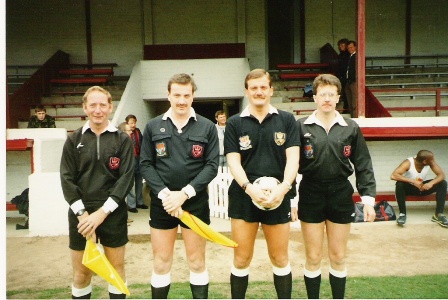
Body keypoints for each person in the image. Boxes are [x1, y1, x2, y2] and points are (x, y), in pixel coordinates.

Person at [296, 74, 376, 299]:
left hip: (340, 192)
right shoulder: (301, 126)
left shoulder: (350, 127)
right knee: (313, 256)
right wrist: (291, 198)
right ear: (315, 97)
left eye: (331, 94)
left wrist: (367, 199)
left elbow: (363, 164)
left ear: (338, 97)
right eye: (322, 94)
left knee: (338, 256)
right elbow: (290, 164)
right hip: (310, 192)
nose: (327, 99)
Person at [139, 73, 219, 299]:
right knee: (162, 262)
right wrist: (166, 196)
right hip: (162, 203)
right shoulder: (153, 126)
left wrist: (183, 195)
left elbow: (212, 166)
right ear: (168, 95)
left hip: (195, 203)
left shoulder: (207, 127)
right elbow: (145, 164)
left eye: (186, 95)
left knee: (196, 261)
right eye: (177, 95)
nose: (181, 100)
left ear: (193, 96)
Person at [224, 69, 300, 299]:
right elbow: (233, 161)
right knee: (241, 258)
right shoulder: (235, 123)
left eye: (263, 87)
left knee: (280, 258)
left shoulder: (286, 120)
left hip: (278, 195)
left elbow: (293, 158)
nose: (259, 92)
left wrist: (284, 188)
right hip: (245, 195)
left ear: (271, 90)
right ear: (246, 91)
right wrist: (249, 188)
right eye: (254, 88)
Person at [60, 86, 134, 299]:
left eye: (103, 105)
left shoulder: (122, 139)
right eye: (93, 105)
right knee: (82, 274)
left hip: (112, 213)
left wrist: (102, 213)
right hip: (81, 216)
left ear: (110, 107)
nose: (98, 110)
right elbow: (66, 179)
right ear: (85, 108)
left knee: (115, 271)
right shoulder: (74, 140)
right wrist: (83, 215)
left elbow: (126, 178)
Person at [390, 150, 448, 227]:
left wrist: (430, 183)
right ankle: (402, 214)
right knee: (399, 184)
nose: (433, 161)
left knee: (443, 183)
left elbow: (442, 175)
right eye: (432, 159)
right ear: (425, 161)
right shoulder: (408, 162)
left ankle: (438, 214)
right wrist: (413, 181)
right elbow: (393, 176)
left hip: (422, 187)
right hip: (409, 188)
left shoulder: (430, 163)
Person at [125, 114, 147, 213]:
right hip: (129, 160)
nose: (133, 125)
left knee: (139, 182)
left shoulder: (138, 132)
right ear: (127, 123)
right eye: (131, 123)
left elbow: (142, 144)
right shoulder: (124, 133)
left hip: (138, 159)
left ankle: (140, 202)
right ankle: (131, 205)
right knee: (130, 184)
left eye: (134, 122)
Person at [118, 121, 136, 225]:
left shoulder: (128, 142)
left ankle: (125, 217)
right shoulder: (120, 143)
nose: (131, 132)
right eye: (129, 130)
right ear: (123, 131)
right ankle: (122, 220)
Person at [336, 38, 350, 111]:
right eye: (340, 45)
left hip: (346, 77)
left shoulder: (348, 55)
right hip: (341, 77)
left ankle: (346, 108)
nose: (341, 47)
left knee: (346, 94)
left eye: (343, 45)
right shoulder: (340, 55)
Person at [345, 40, 357, 118]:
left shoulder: (357, 56)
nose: (350, 49)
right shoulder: (350, 56)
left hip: (353, 81)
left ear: (355, 47)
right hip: (349, 81)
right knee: (350, 101)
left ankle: (355, 118)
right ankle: (352, 117)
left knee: (354, 102)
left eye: (351, 47)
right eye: (348, 48)